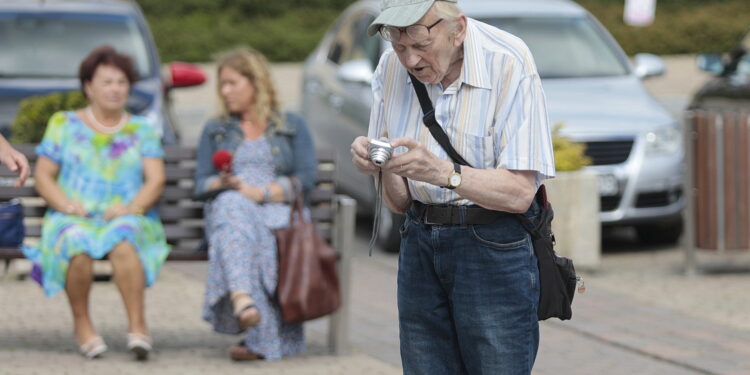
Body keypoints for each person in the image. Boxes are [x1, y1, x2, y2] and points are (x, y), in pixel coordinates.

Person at [350, 0, 556, 373]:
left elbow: (519, 193)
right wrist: (377, 163)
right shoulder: (389, 66)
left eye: (420, 44)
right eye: (399, 46)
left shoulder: (508, 60)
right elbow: (398, 202)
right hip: (419, 241)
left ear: (457, 29)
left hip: (493, 243)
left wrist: (445, 173)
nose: (410, 61)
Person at [23, 45, 169, 360]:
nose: (115, 89)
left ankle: (138, 324)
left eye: (121, 82)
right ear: (88, 87)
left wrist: (132, 208)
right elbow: (44, 176)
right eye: (107, 82)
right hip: (74, 214)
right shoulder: (63, 123)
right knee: (76, 243)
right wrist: (64, 204)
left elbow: (155, 179)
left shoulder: (141, 128)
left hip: (127, 214)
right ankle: (82, 323)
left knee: (125, 238)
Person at [194, 47, 317, 361]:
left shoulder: (291, 124)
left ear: (255, 82)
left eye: (232, 83)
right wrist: (224, 184)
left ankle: (250, 316)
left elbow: (306, 178)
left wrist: (260, 193)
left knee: (242, 226)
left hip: (277, 206)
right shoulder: (216, 128)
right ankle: (244, 302)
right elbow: (200, 183)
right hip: (231, 208)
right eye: (222, 84)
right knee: (231, 209)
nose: (225, 91)